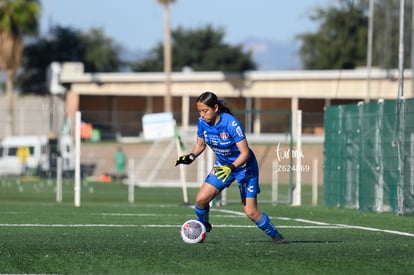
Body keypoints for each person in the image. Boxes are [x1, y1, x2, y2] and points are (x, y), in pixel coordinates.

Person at [175, 91, 286, 244]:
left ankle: (276, 236)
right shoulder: (202, 123)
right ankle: (203, 227)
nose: (201, 114)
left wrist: (232, 167)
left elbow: (245, 153)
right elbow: (200, 144)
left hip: (244, 168)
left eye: (205, 110)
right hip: (223, 166)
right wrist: (191, 157)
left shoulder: (231, 124)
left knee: (250, 212)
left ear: (215, 108)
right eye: (199, 111)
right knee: (201, 200)